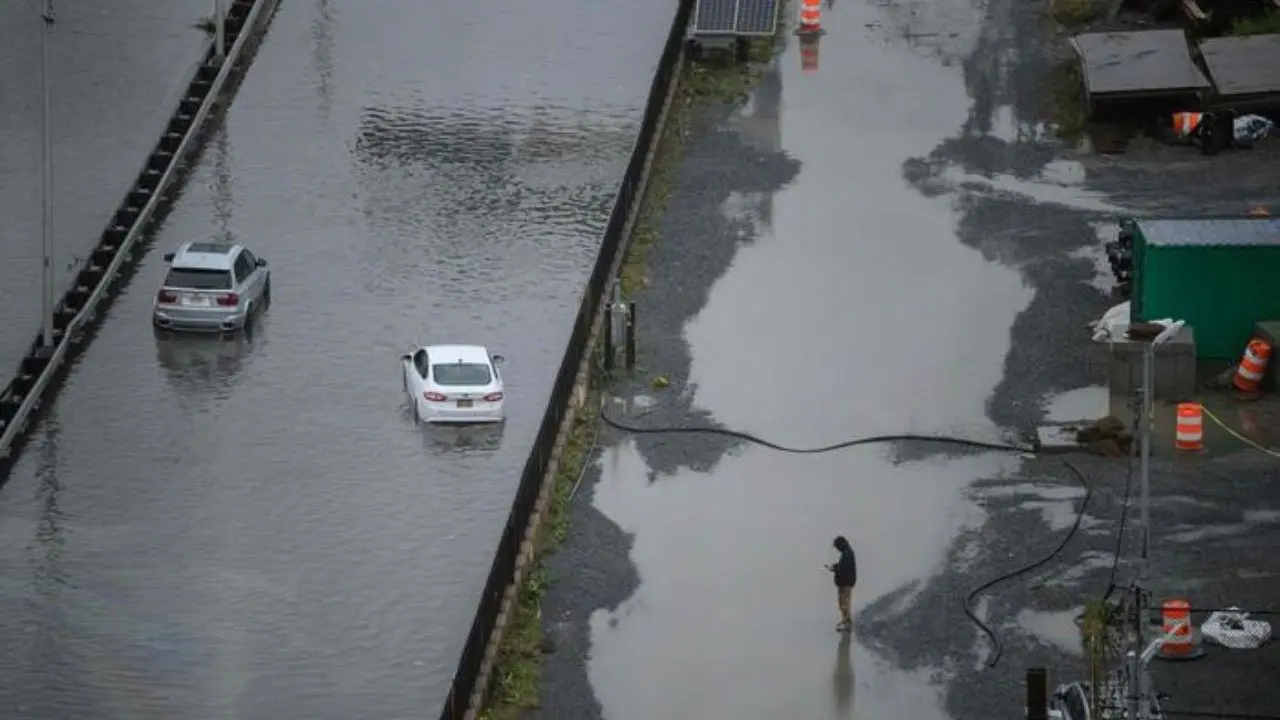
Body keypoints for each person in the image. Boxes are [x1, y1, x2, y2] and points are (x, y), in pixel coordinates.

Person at [826, 535, 857, 632]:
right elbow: (842, 566)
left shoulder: (847, 554)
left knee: (844, 603)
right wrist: (835, 567)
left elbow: (843, 568)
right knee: (844, 603)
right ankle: (846, 621)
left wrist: (834, 569)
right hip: (846, 582)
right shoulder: (847, 553)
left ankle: (847, 623)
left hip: (845, 583)